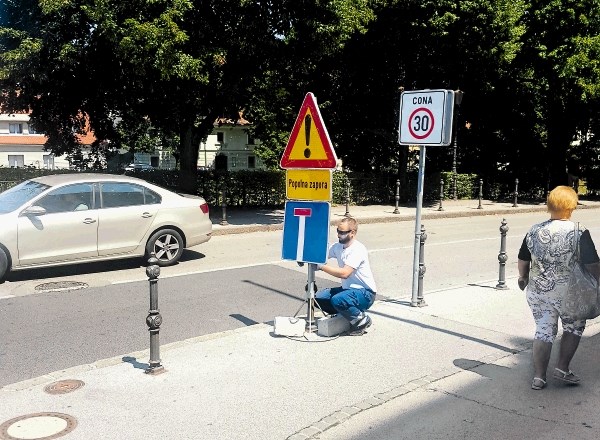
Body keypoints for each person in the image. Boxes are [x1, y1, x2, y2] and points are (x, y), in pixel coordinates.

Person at [517, 185, 600, 390]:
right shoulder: (578, 232)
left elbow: (523, 259)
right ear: (572, 207)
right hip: (569, 293)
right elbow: (592, 265)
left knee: (544, 330)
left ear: (549, 205)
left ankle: (539, 377)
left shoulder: (534, 230)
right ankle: (562, 368)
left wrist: (523, 277)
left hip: (538, 291)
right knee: (573, 326)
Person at [315, 217, 377, 335]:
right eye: (338, 231)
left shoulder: (357, 249)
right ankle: (346, 314)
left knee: (338, 300)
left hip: (365, 293)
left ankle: (361, 320)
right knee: (317, 298)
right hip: (348, 291)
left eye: (342, 232)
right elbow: (322, 254)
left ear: (352, 233)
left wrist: (321, 267)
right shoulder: (338, 247)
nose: (338, 235)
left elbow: (345, 273)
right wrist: (308, 257)